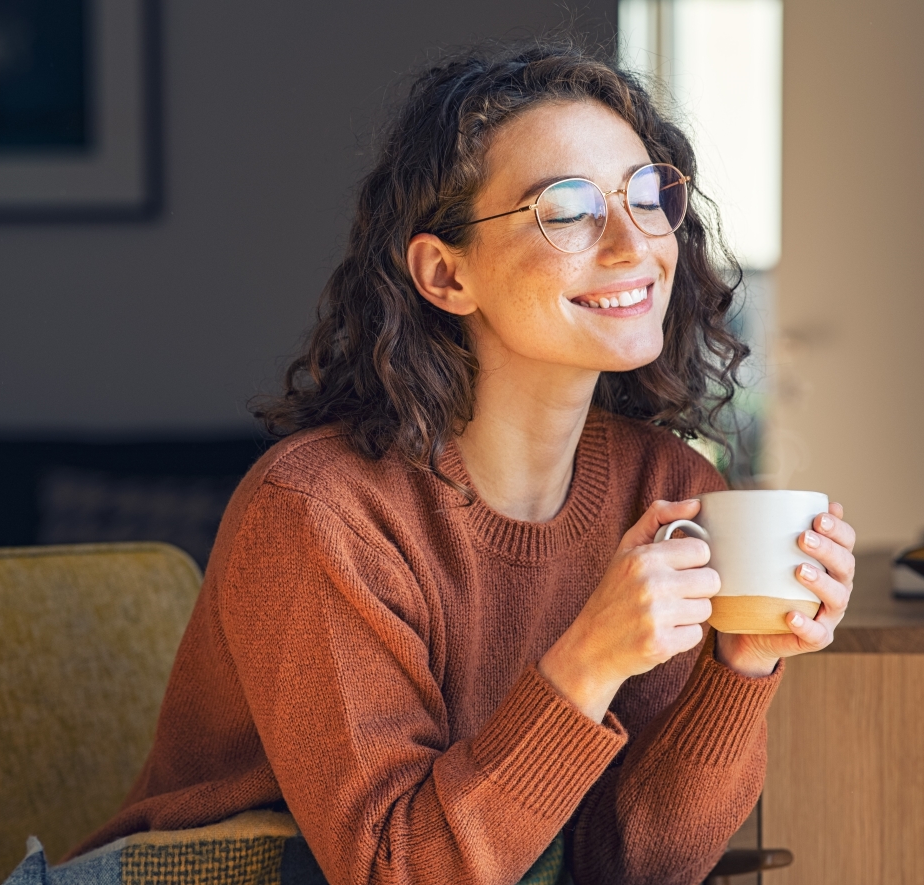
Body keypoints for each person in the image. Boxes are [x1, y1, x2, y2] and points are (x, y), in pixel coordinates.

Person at [71, 40, 856, 885]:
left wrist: (742, 663)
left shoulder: (666, 490)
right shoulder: (319, 511)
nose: (635, 245)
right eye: (567, 209)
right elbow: (392, 871)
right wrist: (587, 659)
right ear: (445, 274)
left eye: (647, 195)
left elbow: (627, 868)